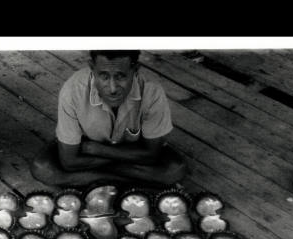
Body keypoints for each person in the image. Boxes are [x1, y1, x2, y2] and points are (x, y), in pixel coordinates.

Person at [31, 50, 187, 187]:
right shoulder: (73, 90)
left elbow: (152, 155)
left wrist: (95, 149)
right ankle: (132, 183)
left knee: (174, 170)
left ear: (135, 69)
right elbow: (69, 162)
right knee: (43, 169)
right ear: (92, 68)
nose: (112, 88)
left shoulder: (152, 92)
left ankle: (94, 180)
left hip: (89, 156)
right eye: (104, 76)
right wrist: (131, 156)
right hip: (130, 159)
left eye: (121, 76)